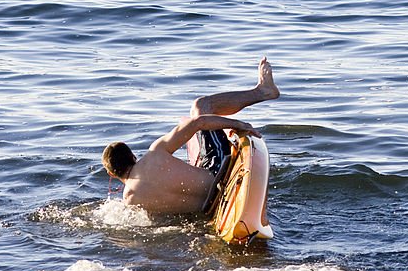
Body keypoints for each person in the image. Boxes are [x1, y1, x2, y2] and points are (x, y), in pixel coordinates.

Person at [101, 57, 281, 215]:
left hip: (207, 208)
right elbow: (198, 123)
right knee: (200, 106)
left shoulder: (131, 201)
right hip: (217, 175)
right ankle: (263, 91)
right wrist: (240, 125)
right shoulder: (154, 153)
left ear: (110, 173)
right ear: (133, 156)